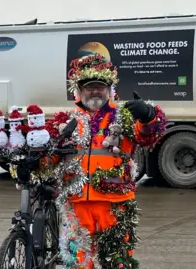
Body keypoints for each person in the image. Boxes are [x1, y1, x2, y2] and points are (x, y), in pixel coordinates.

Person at [40, 53, 167, 269]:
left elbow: (148, 136)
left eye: (101, 86)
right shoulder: (66, 121)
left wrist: (148, 115)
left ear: (109, 89)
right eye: (90, 87)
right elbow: (51, 156)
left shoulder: (122, 116)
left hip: (114, 205)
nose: (96, 90)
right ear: (78, 90)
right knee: (78, 264)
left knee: (117, 262)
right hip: (77, 205)